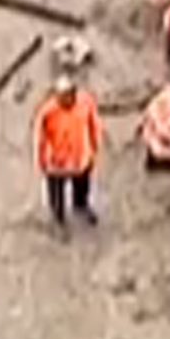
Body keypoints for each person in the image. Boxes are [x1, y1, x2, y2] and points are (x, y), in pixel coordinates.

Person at [34, 75, 102, 231]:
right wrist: (42, 159)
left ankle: (81, 205)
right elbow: (41, 137)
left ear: (75, 93)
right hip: (56, 159)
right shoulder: (47, 112)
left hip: (80, 155)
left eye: (68, 95)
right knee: (56, 192)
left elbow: (93, 124)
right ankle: (58, 216)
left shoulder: (86, 104)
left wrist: (93, 147)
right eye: (61, 96)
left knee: (82, 184)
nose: (65, 99)